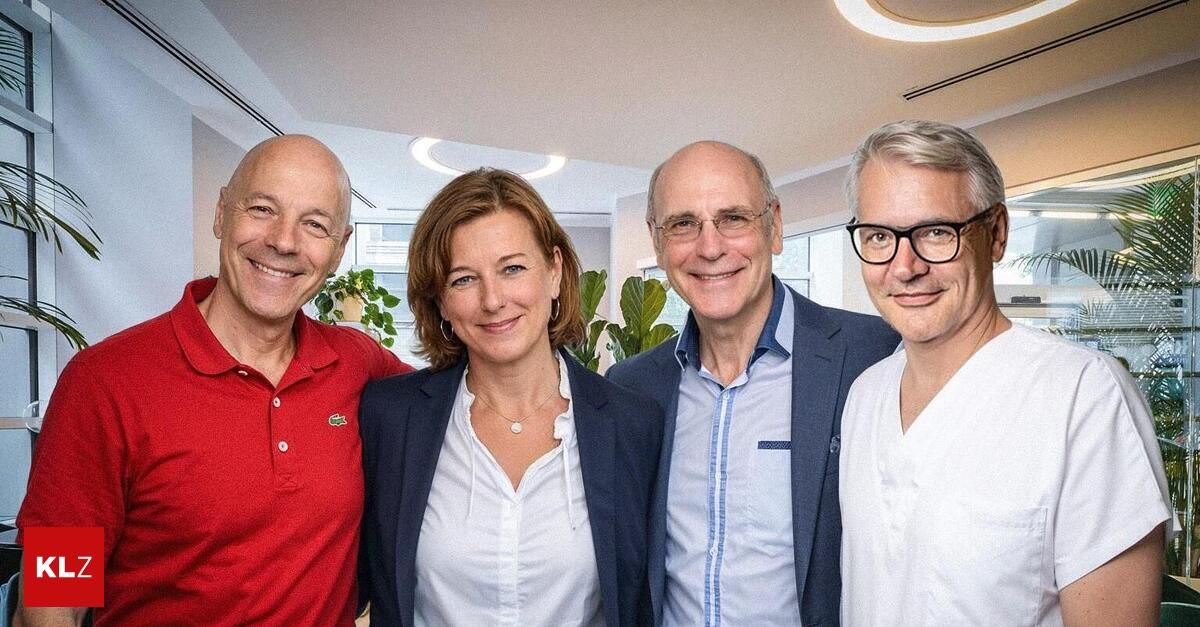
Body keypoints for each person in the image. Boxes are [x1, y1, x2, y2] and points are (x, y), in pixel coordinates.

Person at [16, 135, 413, 626]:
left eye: (314, 224)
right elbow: (51, 602)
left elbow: (462, 400)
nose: (284, 241)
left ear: (338, 250)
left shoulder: (355, 361)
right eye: (263, 208)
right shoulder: (104, 382)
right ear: (223, 212)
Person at [838, 120, 1175, 626]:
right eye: (879, 236)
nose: (904, 267)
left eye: (935, 232)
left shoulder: (1083, 396)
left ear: (995, 234)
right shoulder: (866, 395)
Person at [608, 141, 899, 626]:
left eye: (733, 218)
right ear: (657, 243)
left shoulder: (872, 356)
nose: (710, 247)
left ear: (775, 226)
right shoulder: (633, 387)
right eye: (683, 224)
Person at [358, 168, 661, 626]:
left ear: (554, 272)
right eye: (463, 279)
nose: (493, 300)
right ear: (440, 301)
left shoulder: (633, 423)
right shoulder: (389, 417)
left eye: (513, 268)